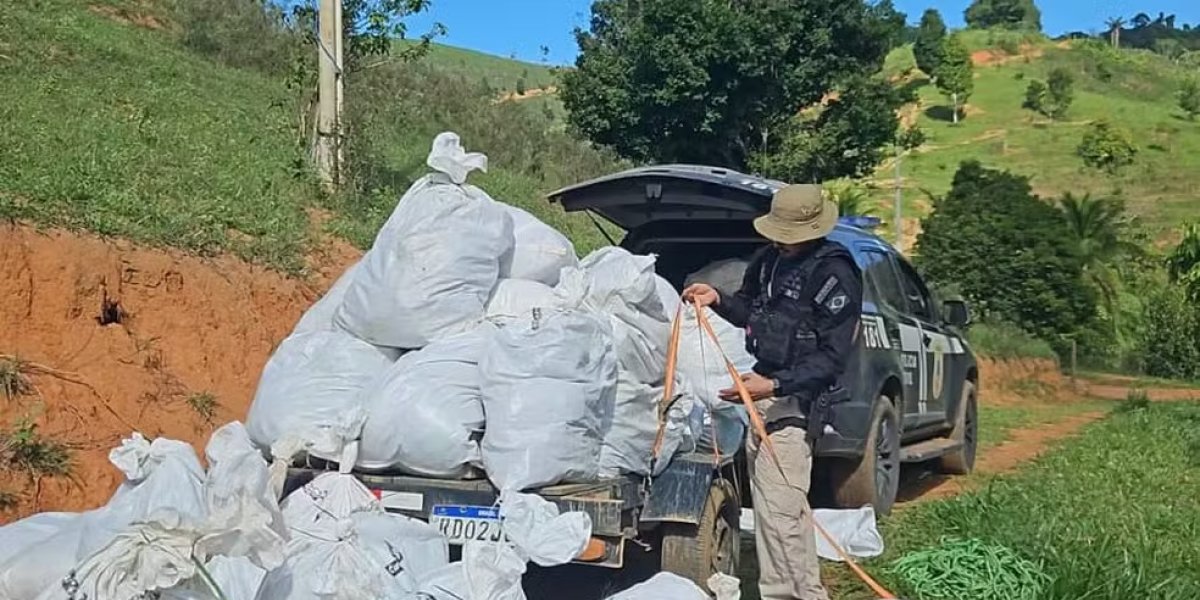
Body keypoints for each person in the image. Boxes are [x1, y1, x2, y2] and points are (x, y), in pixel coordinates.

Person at [682, 183, 862, 600]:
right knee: (776, 512)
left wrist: (775, 385)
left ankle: (791, 594)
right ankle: (796, 591)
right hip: (761, 396)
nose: (780, 241)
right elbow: (753, 313)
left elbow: (832, 358)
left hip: (797, 404)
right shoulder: (767, 262)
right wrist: (717, 300)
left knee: (780, 514)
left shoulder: (835, 274)